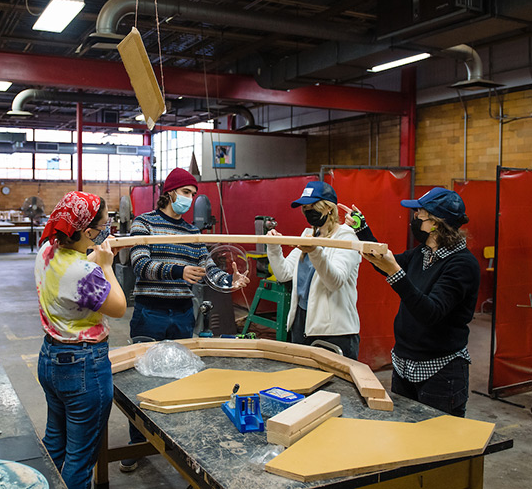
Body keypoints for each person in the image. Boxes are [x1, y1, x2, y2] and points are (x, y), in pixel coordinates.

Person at [120, 167, 249, 472]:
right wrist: (179, 271)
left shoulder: (192, 233)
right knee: (142, 379)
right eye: (186, 193)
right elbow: (140, 264)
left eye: (193, 194)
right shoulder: (144, 224)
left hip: (181, 313)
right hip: (150, 311)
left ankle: (171, 437)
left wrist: (229, 280)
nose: (190, 200)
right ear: (170, 193)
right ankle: (137, 442)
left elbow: (206, 266)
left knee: (177, 376)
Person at [340, 187, 479, 417]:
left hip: (440, 371)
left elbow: (431, 312)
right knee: (404, 437)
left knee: (437, 445)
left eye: (419, 215)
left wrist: (395, 273)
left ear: (436, 223)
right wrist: (362, 229)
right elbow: (385, 261)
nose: (414, 220)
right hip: (405, 365)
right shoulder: (422, 253)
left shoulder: (462, 265)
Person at [34, 191, 127, 489]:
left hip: (50, 358)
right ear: (88, 232)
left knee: (55, 443)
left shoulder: (46, 252)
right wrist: (107, 266)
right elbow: (119, 307)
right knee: (80, 459)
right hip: (83, 367)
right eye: (102, 226)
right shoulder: (85, 272)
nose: (105, 231)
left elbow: (72, 266)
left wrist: (92, 258)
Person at [265, 181, 361, 359]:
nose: (309, 212)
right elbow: (283, 273)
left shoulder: (346, 237)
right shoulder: (308, 235)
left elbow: (335, 282)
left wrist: (314, 251)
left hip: (333, 332)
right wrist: (273, 247)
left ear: (329, 208)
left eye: (313, 207)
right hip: (302, 322)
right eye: (306, 208)